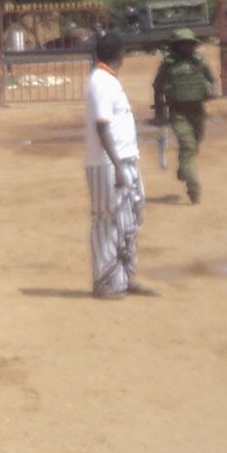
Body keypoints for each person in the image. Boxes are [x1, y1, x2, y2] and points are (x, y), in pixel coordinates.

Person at [85, 33, 152, 298]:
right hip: (107, 163)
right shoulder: (100, 81)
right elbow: (102, 126)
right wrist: (117, 167)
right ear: (120, 54)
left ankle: (124, 276)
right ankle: (105, 282)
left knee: (131, 217)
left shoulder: (108, 80)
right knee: (106, 221)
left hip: (124, 159)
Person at [152, 27, 216, 205]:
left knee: (194, 145)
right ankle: (193, 188)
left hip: (198, 111)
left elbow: (210, 79)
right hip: (178, 113)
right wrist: (159, 113)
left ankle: (184, 168)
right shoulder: (168, 64)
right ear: (176, 46)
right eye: (183, 44)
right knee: (188, 146)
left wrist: (210, 90)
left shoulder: (199, 61)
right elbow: (157, 86)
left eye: (189, 43)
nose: (186, 47)